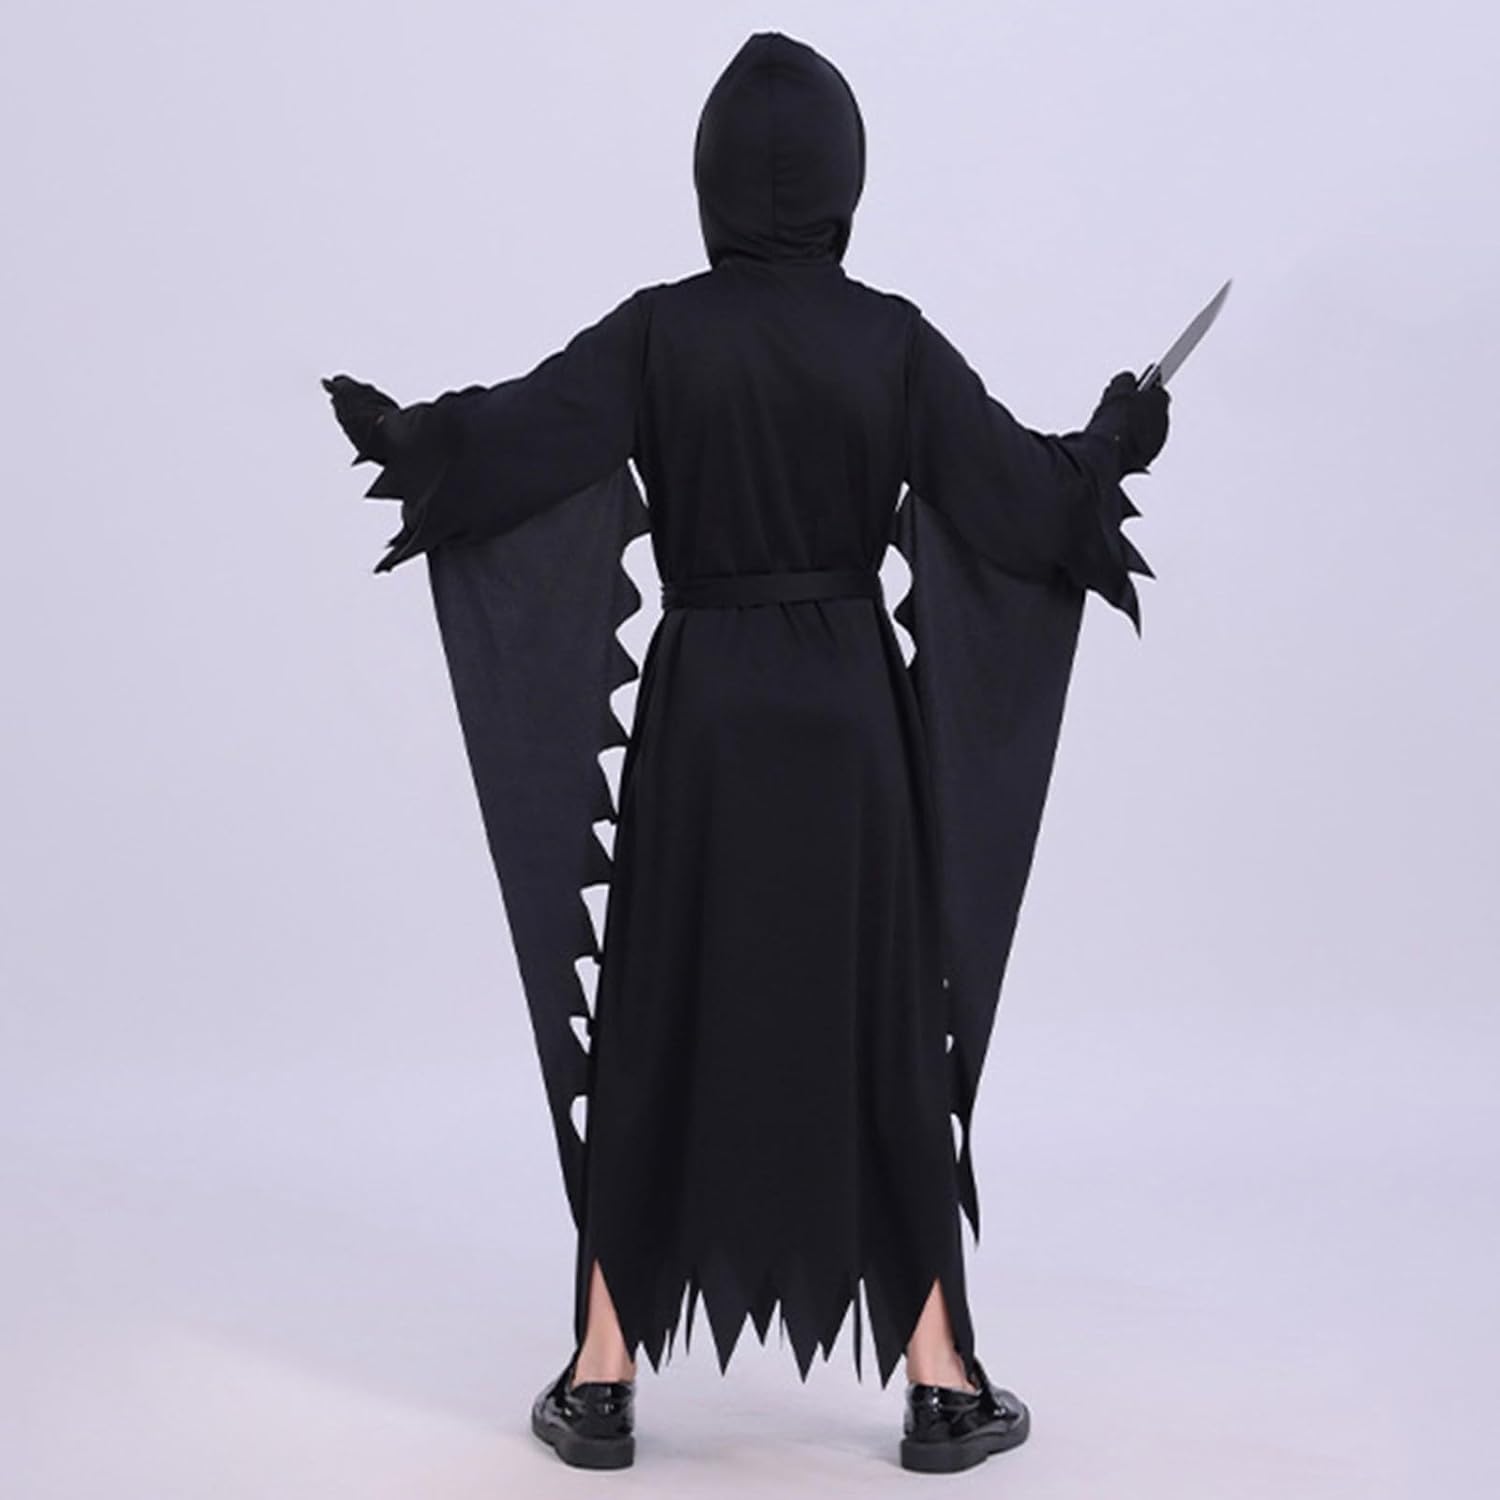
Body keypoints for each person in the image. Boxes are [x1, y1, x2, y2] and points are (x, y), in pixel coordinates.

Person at [324, 29, 1168, 1475]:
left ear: (709, 179)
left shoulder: (662, 333)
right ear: (848, 181)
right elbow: (1025, 501)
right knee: (884, 1025)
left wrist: (413, 440)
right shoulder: (891, 341)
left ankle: (600, 1379)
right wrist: (1112, 442)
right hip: (850, 725)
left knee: (656, 1017)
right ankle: (942, 1384)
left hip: (702, 715)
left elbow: (518, 439)